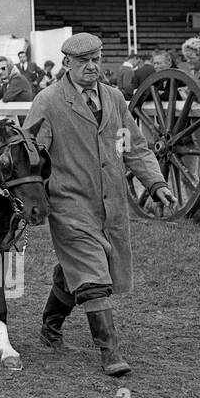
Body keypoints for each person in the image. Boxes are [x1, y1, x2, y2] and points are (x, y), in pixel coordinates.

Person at [26, 32, 176, 377]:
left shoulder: (113, 98)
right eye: (83, 62)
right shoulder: (48, 101)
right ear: (67, 64)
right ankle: (110, 352)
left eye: (96, 60)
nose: (92, 67)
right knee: (93, 274)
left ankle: (50, 327)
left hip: (110, 203)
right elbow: (31, 154)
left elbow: (135, 147)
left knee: (75, 269)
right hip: (68, 201)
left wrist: (156, 183)